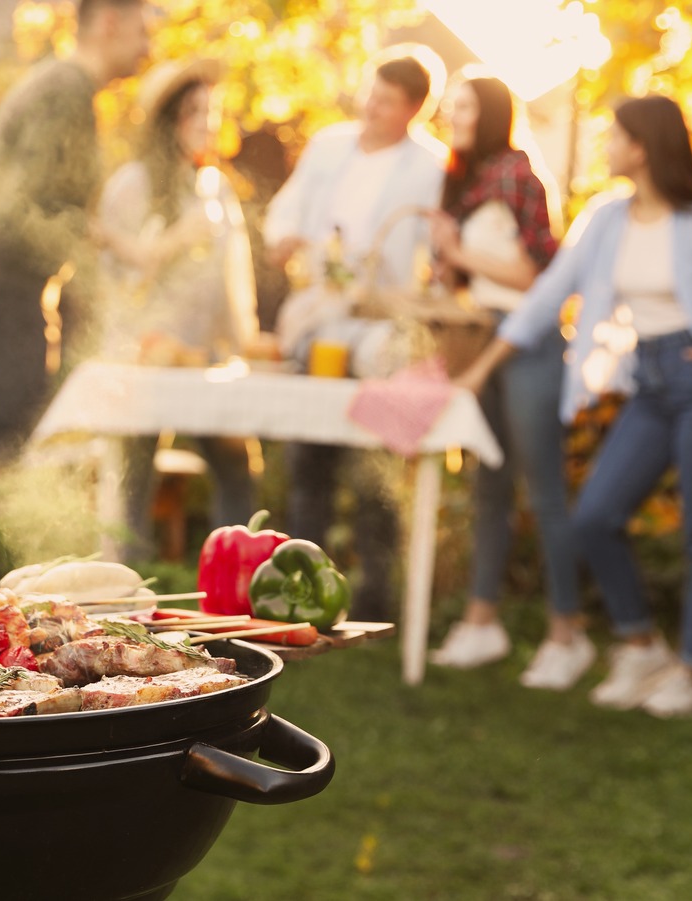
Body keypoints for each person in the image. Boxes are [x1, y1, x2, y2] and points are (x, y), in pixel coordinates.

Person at [456, 94, 692, 717]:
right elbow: (548, 295)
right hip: (651, 383)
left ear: (643, 147)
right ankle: (642, 645)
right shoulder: (606, 219)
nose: (604, 143)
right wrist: (482, 367)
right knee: (594, 517)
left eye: (614, 134)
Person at [0, 0, 150, 485]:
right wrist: (97, 274)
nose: (148, 44)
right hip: (6, 286)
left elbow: (45, 201)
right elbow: (32, 205)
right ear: (109, 23)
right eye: (142, 30)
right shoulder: (66, 90)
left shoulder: (62, 86)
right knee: (3, 451)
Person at [261, 53, 446, 620]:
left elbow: (436, 253)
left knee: (373, 460)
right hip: (320, 318)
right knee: (311, 455)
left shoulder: (429, 168)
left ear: (415, 110)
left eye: (388, 101)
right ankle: (298, 587)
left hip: (378, 327)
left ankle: (373, 592)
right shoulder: (329, 146)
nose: (373, 108)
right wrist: (285, 235)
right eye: (372, 94)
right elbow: (287, 207)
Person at [422, 76, 589, 689]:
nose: (451, 114)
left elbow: (535, 276)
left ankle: (567, 633)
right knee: (489, 487)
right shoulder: (463, 182)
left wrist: (460, 256)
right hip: (479, 340)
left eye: (463, 106)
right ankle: (481, 621)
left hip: (529, 345)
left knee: (543, 490)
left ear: (491, 113)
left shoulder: (517, 175)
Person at [95, 58, 260, 557]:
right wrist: (172, 241)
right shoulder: (133, 183)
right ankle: (124, 593)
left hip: (203, 359)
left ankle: (240, 577)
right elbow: (115, 280)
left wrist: (244, 339)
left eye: (212, 112)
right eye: (194, 112)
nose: (206, 124)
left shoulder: (215, 187)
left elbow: (234, 276)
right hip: (144, 357)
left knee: (237, 467)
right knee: (133, 477)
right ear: (167, 119)